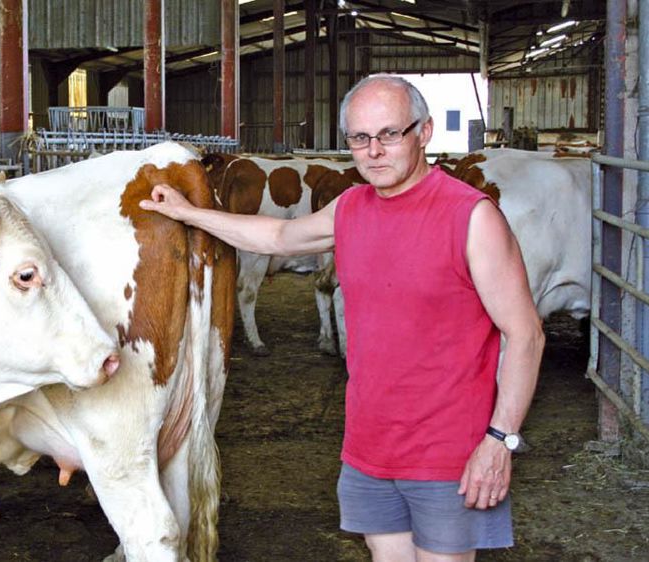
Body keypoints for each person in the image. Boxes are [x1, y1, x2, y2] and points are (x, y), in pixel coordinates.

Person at [139, 74, 545, 562]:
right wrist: (190, 215)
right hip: (369, 447)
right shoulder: (351, 208)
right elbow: (277, 238)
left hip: (448, 453)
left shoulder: (472, 217)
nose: (373, 150)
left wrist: (500, 440)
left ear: (425, 132)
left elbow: (526, 335)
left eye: (390, 134)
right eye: (359, 137)